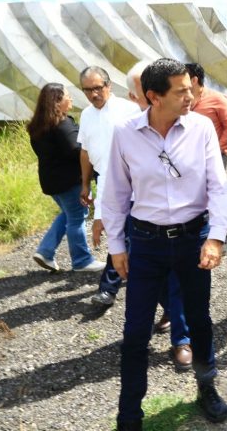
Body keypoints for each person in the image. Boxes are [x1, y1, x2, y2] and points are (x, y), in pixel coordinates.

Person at [103, 58, 227, 430]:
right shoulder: (125, 134)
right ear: (153, 97)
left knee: (199, 320)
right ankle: (129, 414)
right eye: (181, 91)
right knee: (135, 331)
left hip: (193, 240)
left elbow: (218, 187)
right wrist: (117, 246)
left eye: (191, 88)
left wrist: (216, 238)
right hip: (145, 243)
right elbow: (114, 194)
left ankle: (207, 388)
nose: (191, 95)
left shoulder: (202, 128)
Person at [77, 66, 141, 300]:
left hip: (132, 183)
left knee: (123, 234)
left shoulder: (129, 110)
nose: (94, 94)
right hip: (104, 181)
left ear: (108, 85)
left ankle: (108, 288)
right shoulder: (86, 115)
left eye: (97, 88)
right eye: (87, 90)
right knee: (123, 235)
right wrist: (85, 184)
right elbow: (85, 152)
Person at [27, 83, 105, 273]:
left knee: (69, 214)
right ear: (57, 102)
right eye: (67, 96)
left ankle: (45, 251)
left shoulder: (38, 125)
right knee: (78, 217)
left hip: (51, 180)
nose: (70, 99)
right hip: (69, 181)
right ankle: (82, 261)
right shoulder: (62, 124)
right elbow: (77, 150)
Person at [185, 62, 227, 168]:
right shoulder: (182, 100)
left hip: (214, 158)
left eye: (184, 78)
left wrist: (215, 150)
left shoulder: (218, 99)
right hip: (189, 158)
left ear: (194, 80)